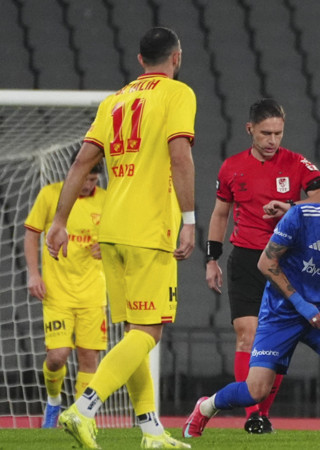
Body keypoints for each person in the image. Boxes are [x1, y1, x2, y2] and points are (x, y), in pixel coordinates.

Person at [46, 26, 196, 449]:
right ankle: (84, 408)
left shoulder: (114, 100)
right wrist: (189, 219)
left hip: (110, 229)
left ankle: (151, 430)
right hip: (150, 229)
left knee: (135, 332)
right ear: (176, 57)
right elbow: (180, 155)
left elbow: (81, 162)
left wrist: (59, 221)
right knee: (149, 332)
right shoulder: (177, 94)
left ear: (140, 60)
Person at [183, 178, 320, 439]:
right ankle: (205, 407)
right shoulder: (301, 216)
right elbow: (266, 262)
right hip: (282, 311)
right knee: (255, 392)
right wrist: (301, 304)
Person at [205, 98, 320, 434]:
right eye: (265, 133)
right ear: (250, 129)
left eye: (278, 133)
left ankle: (262, 412)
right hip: (246, 258)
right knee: (246, 335)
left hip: (283, 260)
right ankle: (252, 416)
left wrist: (291, 206)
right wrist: (211, 259)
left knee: (275, 342)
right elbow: (220, 213)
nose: (272, 140)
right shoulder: (231, 167)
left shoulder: (297, 163)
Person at [24, 155, 107, 429]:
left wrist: (108, 246)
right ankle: (53, 400)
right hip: (57, 293)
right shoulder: (51, 195)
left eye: (93, 180)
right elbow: (31, 233)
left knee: (89, 358)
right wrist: (33, 273)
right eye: (85, 178)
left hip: (93, 293)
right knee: (57, 356)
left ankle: (81, 418)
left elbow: (120, 237)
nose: (88, 184)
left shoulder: (106, 200)